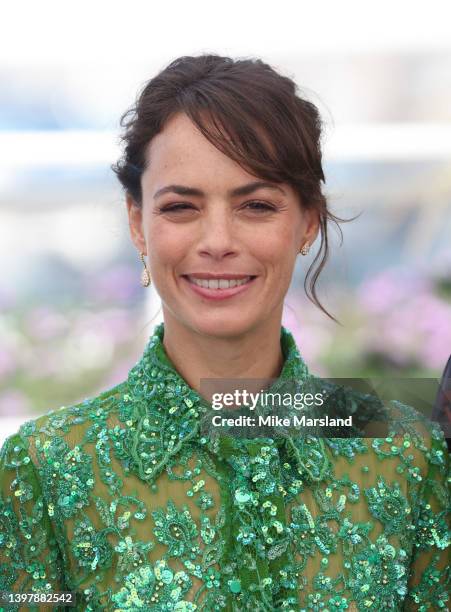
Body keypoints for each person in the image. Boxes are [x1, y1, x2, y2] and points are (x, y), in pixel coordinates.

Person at [0, 54, 449, 612]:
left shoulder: (410, 455)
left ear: (308, 221)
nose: (217, 240)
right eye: (182, 206)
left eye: (256, 205)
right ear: (138, 222)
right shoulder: (43, 469)